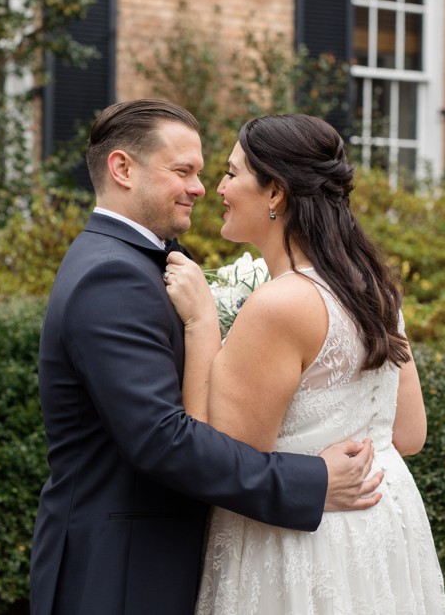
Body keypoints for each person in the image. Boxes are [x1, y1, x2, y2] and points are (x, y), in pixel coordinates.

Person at [29, 99, 386, 615]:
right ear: (122, 168)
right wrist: (312, 480)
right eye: (183, 171)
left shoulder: (152, 259)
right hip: (120, 571)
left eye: (203, 171)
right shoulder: (110, 275)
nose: (201, 187)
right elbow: (161, 440)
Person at [164, 113, 445, 614]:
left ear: (275, 193)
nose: (218, 188)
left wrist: (202, 323)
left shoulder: (280, 304)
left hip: (301, 542)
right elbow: (408, 435)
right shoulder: (373, 288)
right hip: (380, 533)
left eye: (232, 173)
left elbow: (221, 459)